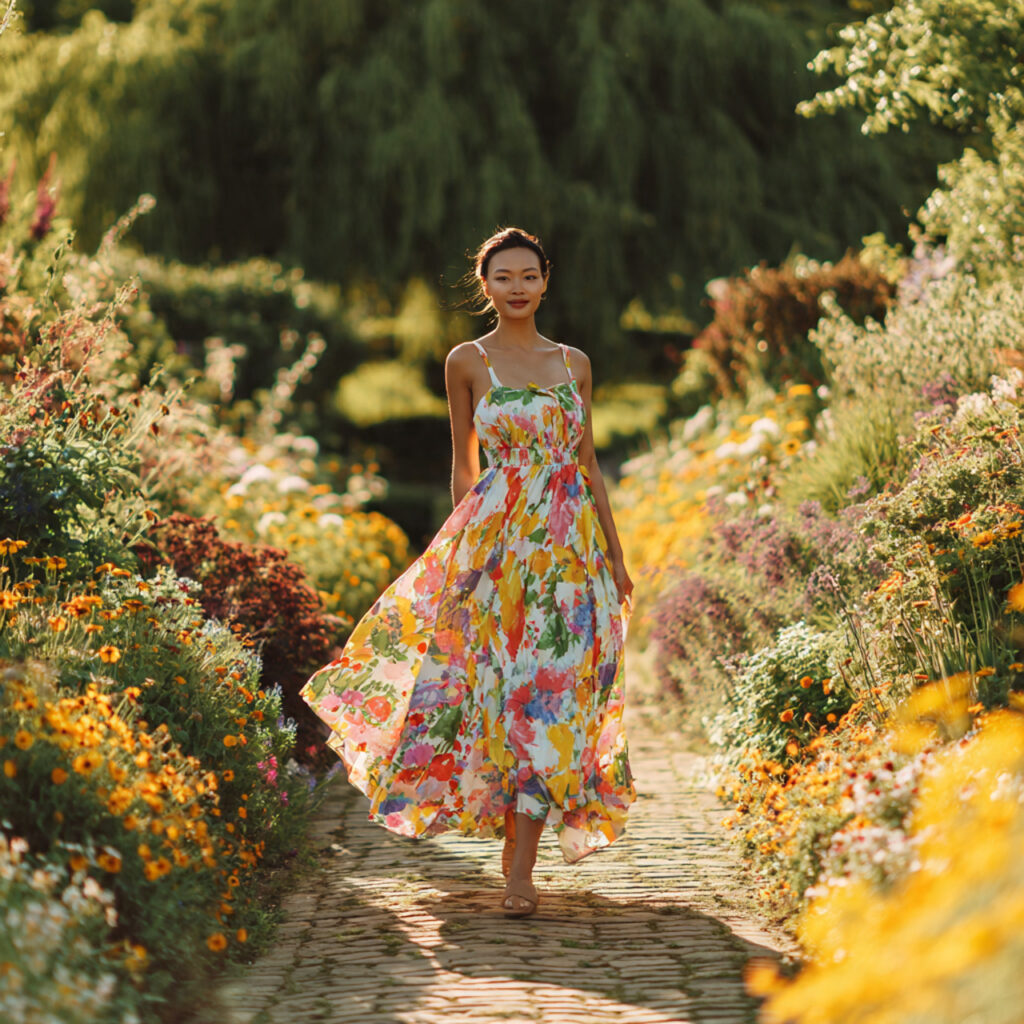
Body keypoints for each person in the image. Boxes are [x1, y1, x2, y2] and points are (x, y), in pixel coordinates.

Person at [301, 227, 635, 917]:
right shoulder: (467, 360)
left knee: (554, 695)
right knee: (493, 692)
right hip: (493, 549)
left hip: (567, 555)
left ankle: (521, 871)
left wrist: (617, 556)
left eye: (529, 275)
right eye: (504, 276)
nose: (518, 287)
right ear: (485, 285)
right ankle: (506, 848)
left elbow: (589, 463)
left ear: (546, 282)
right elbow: (464, 467)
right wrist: (459, 554)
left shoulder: (575, 362)